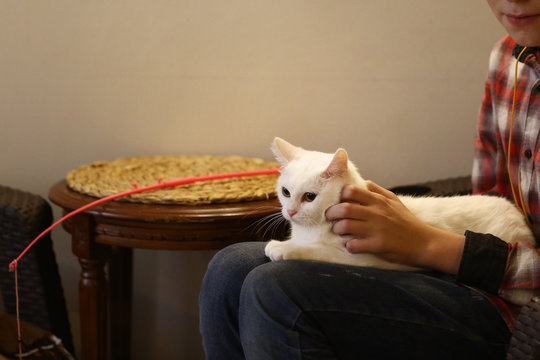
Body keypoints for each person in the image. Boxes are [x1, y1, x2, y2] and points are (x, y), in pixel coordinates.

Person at [199, 0, 540, 358]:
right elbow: (488, 199)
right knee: (230, 269)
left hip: (520, 309)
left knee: (276, 289)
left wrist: (427, 244)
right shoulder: (507, 57)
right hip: (473, 275)